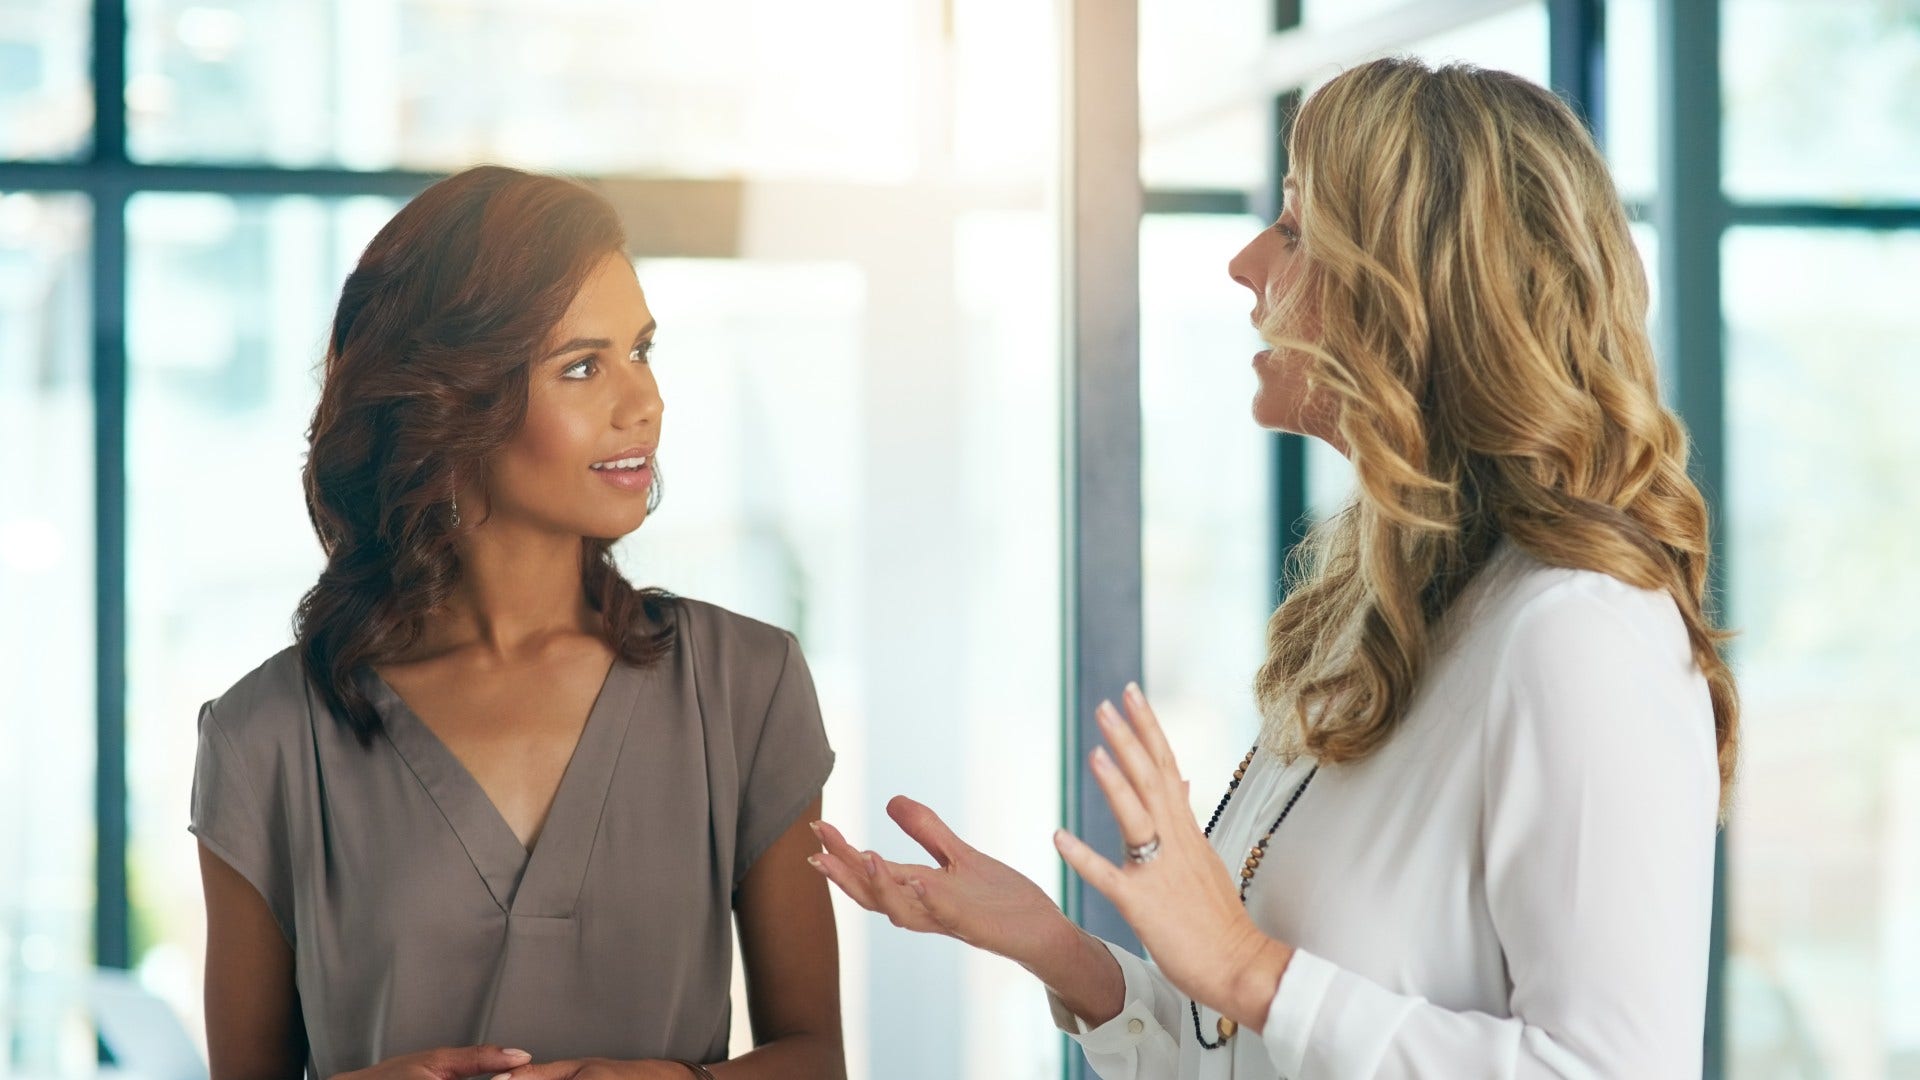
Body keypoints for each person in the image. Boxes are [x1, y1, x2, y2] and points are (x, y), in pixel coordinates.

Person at [811, 58, 1737, 1078]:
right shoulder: (1385, 618)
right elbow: (1249, 1045)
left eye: (1295, 230)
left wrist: (1247, 967)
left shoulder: (1579, 632)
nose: (1245, 263)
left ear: (1419, 289)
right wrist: (1063, 953)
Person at [192, 166, 844, 1080]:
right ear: (450, 401)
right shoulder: (266, 737)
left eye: (641, 351)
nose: (644, 402)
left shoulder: (744, 684)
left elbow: (817, 1059)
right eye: (582, 366)